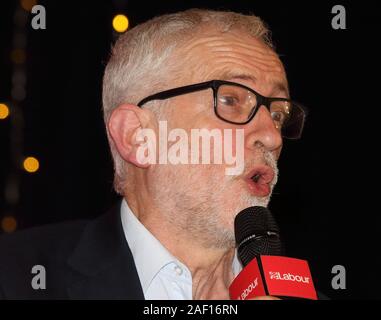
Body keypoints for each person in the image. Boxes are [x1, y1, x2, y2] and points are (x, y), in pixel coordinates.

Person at [0, 9, 308, 299]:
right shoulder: (14, 276)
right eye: (231, 100)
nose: (271, 136)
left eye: (279, 114)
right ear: (136, 136)